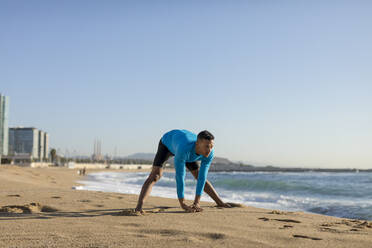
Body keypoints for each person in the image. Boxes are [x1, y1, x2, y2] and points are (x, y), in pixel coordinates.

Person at [135, 129, 231, 213]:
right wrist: (183, 203)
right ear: (198, 143)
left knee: (199, 176)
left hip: (187, 149)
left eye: (211, 146)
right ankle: (138, 207)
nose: (209, 150)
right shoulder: (183, 149)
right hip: (167, 143)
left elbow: (202, 177)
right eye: (207, 146)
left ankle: (220, 203)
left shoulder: (209, 153)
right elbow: (180, 177)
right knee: (156, 175)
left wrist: (196, 203)